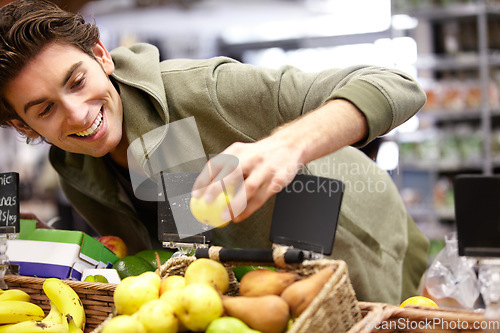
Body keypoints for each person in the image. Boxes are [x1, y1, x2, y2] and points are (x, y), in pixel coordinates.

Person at [0, 0, 429, 304]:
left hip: (352, 238)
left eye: (76, 81)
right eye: (45, 109)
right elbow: (160, 255)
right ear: (23, 125)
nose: (76, 114)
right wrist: (45, 245)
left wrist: (287, 145)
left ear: (100, 56)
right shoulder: (74, 168)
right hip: (256, 292)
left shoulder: (203, 89)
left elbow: (396, 84)